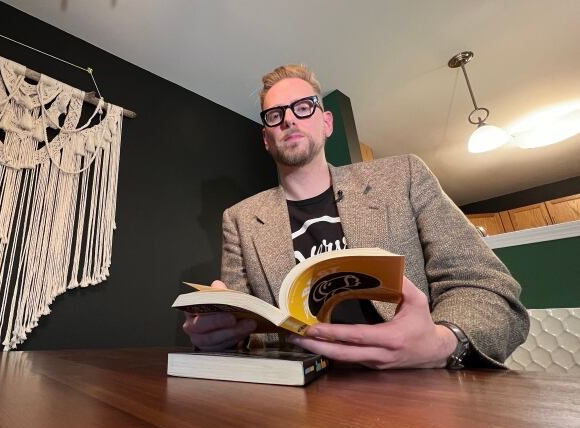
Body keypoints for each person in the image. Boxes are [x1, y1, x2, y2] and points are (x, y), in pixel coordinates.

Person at [182, 64, 529, 369]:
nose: (289, 118)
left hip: (416, 388)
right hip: (298, 397)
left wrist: (441, 344)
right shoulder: (239, 219)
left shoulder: (403, 176)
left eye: (303, 107)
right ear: (266, 138)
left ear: (327, 122)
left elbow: (488, 289)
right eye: (275, 115)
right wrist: (219, 337)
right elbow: (247, 334)